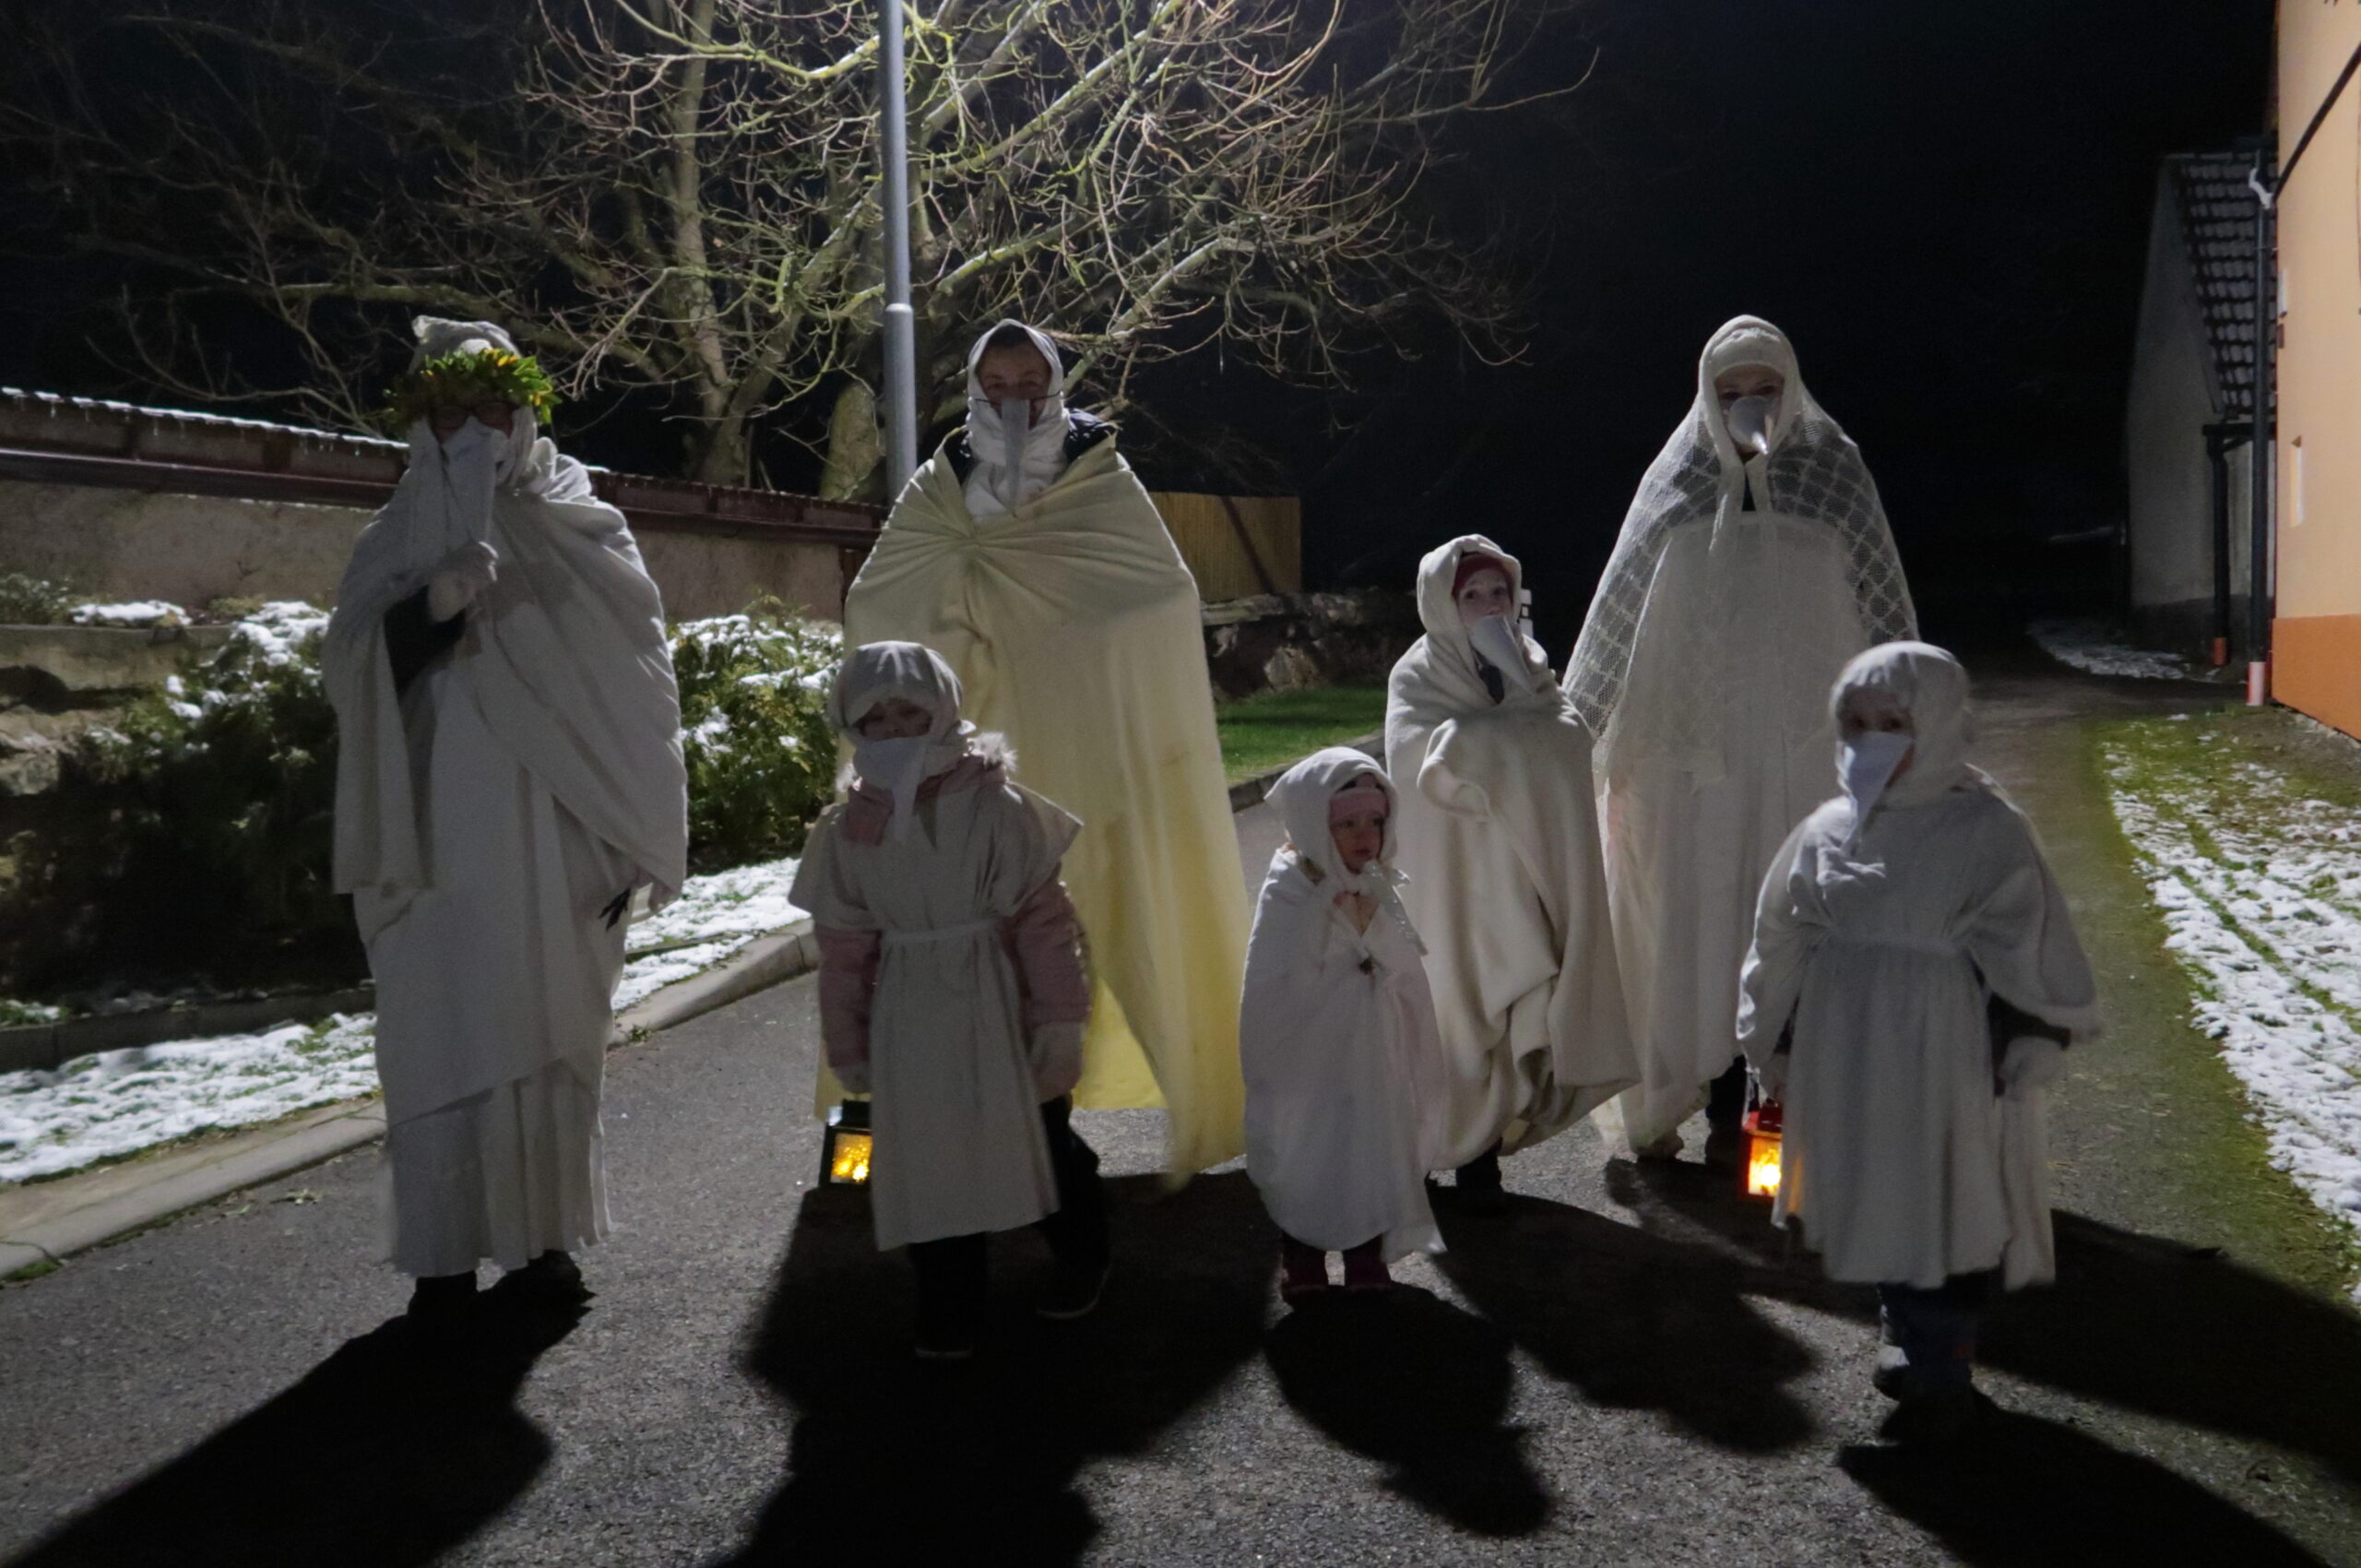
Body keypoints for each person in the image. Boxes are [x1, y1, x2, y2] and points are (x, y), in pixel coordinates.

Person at [323, 317, 688, 1324]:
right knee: (438, 1036)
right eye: (451, 412)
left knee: (551, 1032)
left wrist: (642, 832)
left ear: (525, 412)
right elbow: (349, 673)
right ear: (422, 423)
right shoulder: (395, 535)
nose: (476, 429)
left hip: (565, 833)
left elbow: (641, 692)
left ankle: (543, 1245)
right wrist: (427, 611)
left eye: (493, 406)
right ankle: (441, 1261)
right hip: (436, 836)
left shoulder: (585, 527)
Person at [843, 320, 1250, 1177]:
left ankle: (1062, 1124)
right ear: (975, 387)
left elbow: (1158, 599)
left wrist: (1055, 620)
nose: (1014, 401)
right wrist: (966, 609)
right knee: (982, 944)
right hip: (976, 774)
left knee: (1087, 928)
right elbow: (880, 606)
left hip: (1089, 751)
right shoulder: (939, 486)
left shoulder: (1098, 478)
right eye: (997, 384)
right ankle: (1010, 1128)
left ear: (1055, 384)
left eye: (1031, 383)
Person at [1564, 315, 1918, 1166]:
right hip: (1691, 760)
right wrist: (1572, 723)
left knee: (1800, 916)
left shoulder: (1833, 476)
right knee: (1696, 917)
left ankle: (1798, 1098)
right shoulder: (1676, 486)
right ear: (1705, 398)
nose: (1748, 405)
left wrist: (1908, 726)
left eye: (1765, 389)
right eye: (1730, 393)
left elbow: (1881, 606)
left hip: (1808, 751)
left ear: (1792, 392)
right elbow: (1617, 616)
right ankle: (1711, 1088)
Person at [1738, 643, 2100, 1442]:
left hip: (1941, 1049)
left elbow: (2029, 935)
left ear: (1935, 724)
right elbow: (1781, 932)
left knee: (1939, 1194)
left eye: (1895, 724)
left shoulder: (1984, 827)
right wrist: (1774, 1036)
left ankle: (1942, 1369)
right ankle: (1906, 1331)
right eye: (1858, 723)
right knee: (1872, 1190)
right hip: (1846, 1044)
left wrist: (2033, 1029)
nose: (1874, 741)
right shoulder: (1828, 828)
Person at [791, 641, 1107, 1360]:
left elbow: (1044, 924)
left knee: (1040, 1135)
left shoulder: (997, 806)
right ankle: (949, 1298)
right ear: (853, 726)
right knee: (927, 1156)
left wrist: (1058, 1020)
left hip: (1001, 997)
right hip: (912, 1014)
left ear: (942, 711)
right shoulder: (848, 829)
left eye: (912, 713)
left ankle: (1082, 1253)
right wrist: (849, 1042)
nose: (897, 730)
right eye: (878, 719)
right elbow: (845, 951)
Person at [1385, 536, 1636, 1206]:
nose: (1488, 605)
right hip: (1456, 885)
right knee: (1454, 1012)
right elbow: (1417, 764)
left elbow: (1567, 735)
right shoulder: (1418, 676)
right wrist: (1491, 744)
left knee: (1516, 1009)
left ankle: (1482, 1159)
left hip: (1520, 875)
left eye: (1498, 592)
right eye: (1471, 595)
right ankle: (1427, 1150)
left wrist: (1489, 739)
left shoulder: (1531, 665)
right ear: (1443, 604)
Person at [1242, 749, 1447, 1300]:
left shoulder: (1376, 884)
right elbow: (1273, 976)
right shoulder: (1290, 888)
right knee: (1308, 1146)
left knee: (1371, 1146)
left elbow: (1403, 961)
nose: (1364, 837)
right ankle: (1302, 1253)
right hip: (1308, 1057)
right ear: (1314, 823)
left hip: (1372, 1052)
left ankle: (1366, 1253)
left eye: (1374, 822)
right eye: (1347, 825)